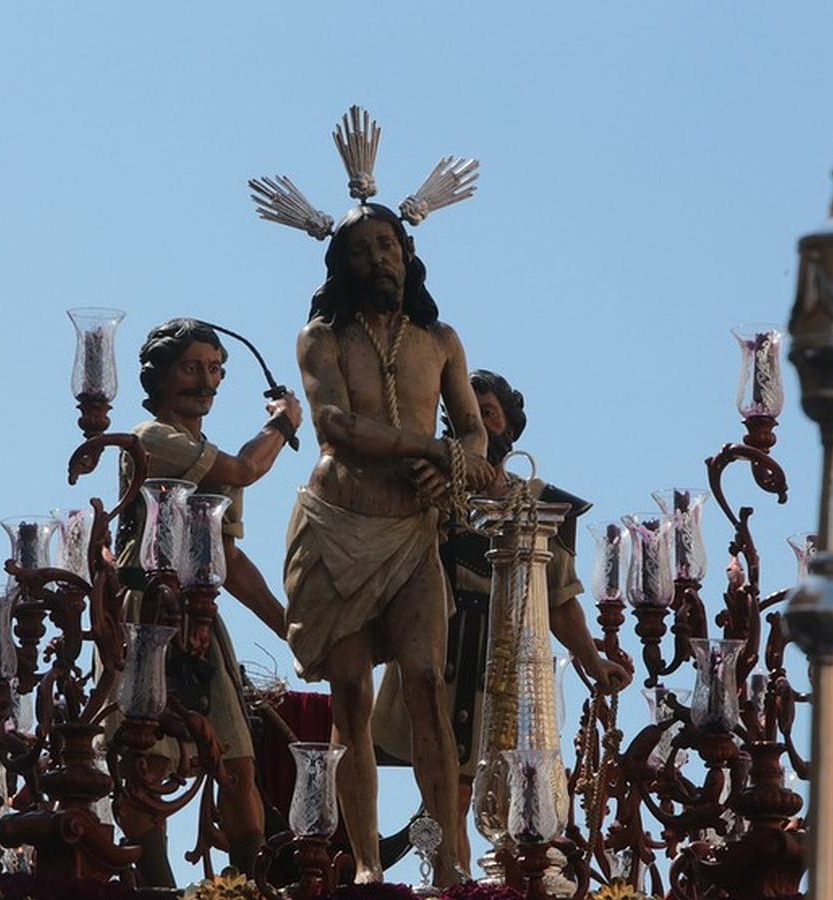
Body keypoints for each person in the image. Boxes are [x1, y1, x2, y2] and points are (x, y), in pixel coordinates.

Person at [285, 203, 495, 885]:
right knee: (350, 693)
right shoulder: (321, 338)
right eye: (361, 251)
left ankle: (452, 860)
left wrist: (454, 461)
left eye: (388, 247)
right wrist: (426, 448)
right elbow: (336, 426)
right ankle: (368, 862)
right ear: (339, 266)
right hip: (338, 528)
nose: (378, 261)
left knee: (428, 683)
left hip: (411, 532)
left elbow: (473, 430)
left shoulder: (440, 341)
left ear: (407, 253)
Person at [371, 368, 632, 868]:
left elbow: (557, 601)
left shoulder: (538, 502)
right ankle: (446, 875)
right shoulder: (429, 491)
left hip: (500, 661)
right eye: (464, 416)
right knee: (449, 788)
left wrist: (594, 662)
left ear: (509, 425)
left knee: (490, 794)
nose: (476, 427)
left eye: (486, 415)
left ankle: (464, 876)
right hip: (436, 645)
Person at [115, 317, 302, 885]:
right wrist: (285, 424)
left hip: (201, 617)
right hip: (147, 611)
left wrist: (289, 627)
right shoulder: (151, 437)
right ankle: (157, 886)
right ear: (162, 376)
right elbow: (246, 467)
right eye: (193, 367)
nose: (207, 381)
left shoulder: (206, 451)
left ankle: (248, 886)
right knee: (149, 758)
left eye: (216, 369)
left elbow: (229, 561)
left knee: (238, 763)